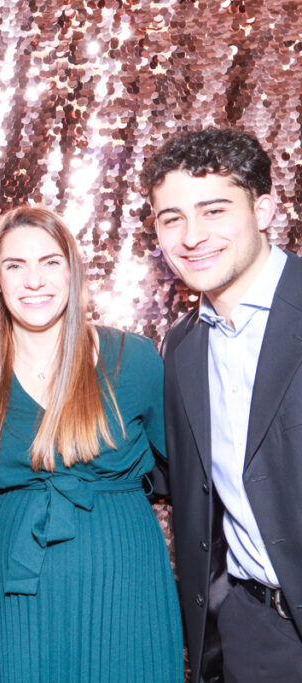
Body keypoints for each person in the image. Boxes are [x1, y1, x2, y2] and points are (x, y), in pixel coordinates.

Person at [0, 206, 183, 682]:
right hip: (13, 588)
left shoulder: (135, 360)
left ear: (73, 271)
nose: (34, 281)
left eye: (49, 262)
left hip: (124, 581)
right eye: (15, 266)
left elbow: (190, 478)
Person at [143, 129, 302, 682]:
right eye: (172, 218)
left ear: (263, 209)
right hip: (253, 632)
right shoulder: (181, 348)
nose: (192, 237)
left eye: (213, 210)